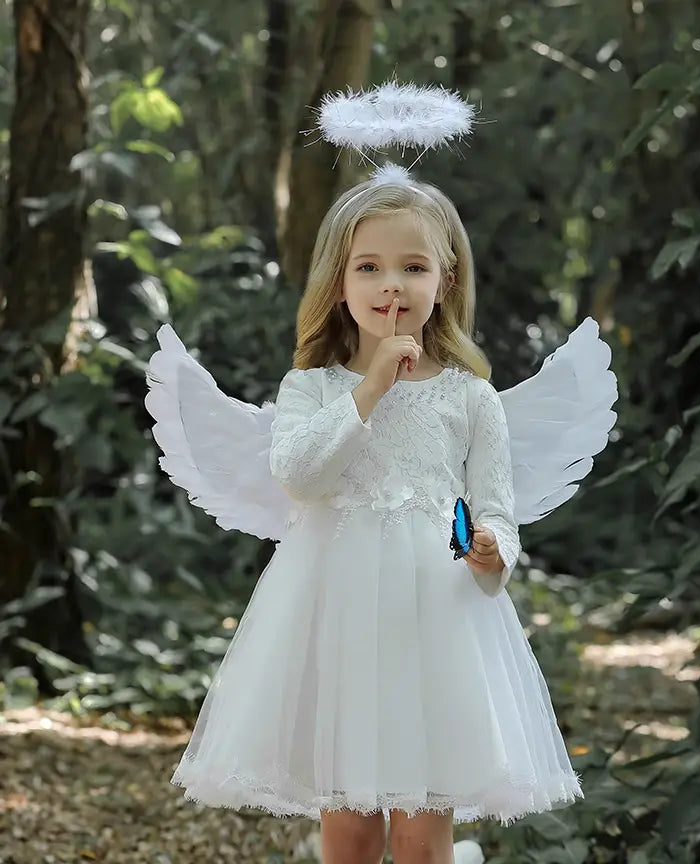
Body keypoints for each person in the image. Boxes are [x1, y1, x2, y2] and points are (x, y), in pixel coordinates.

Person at [150, 169, 599, 864]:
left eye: (413, 266)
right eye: (370, 267)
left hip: (436, 622)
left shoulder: (470, 399)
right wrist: (370, 389)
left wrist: (492, 548)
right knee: (351, 826)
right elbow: (298, 475)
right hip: (339, 622)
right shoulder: (310, 388)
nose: (391, 285)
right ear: (339, 283)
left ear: (445, 282)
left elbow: (497, 510)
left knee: (423, 830)